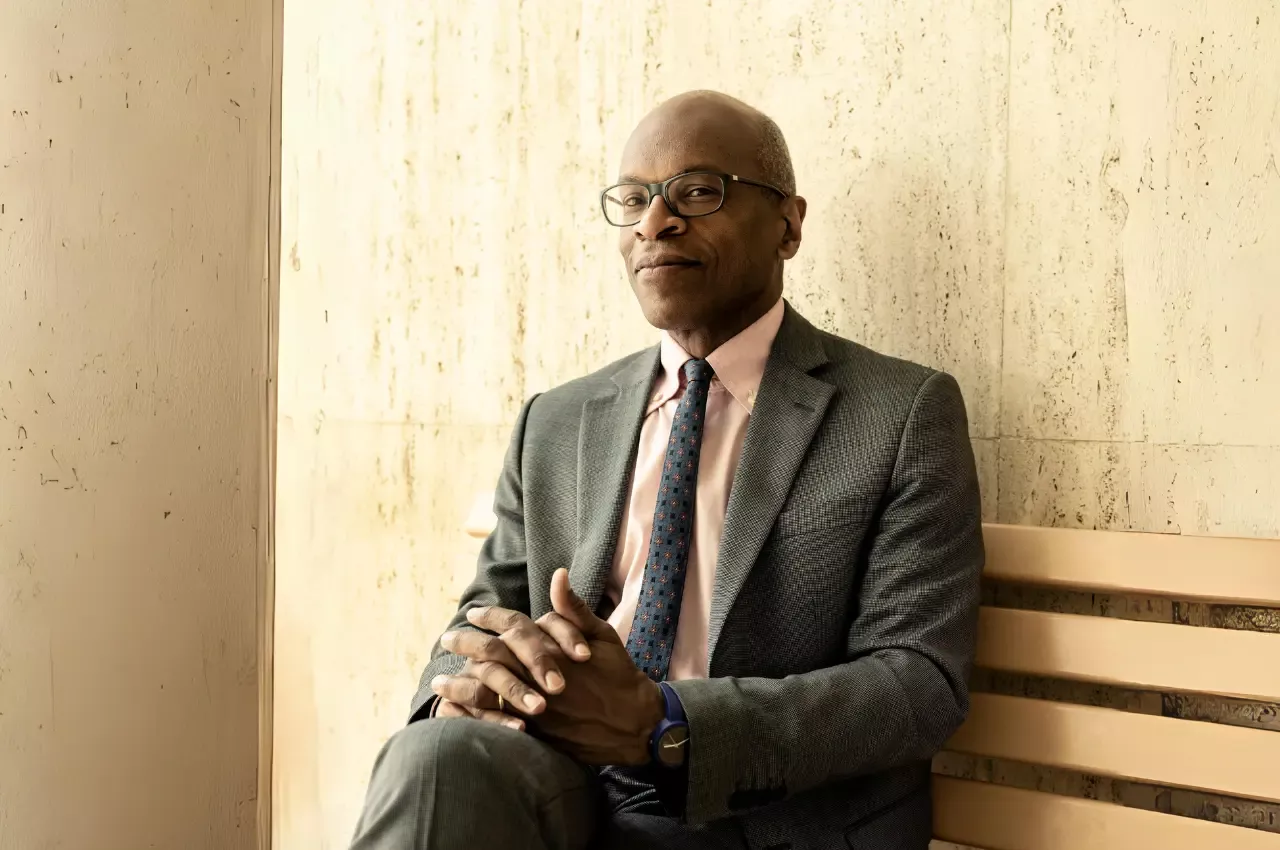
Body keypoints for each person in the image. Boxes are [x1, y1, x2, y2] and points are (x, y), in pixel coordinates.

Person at [349, 89, 984, 850]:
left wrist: (665, 725)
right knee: (435, 758)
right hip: (567, 788)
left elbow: (917, 681)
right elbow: (485, 615)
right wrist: (465, 691)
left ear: (788, 225)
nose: (655, 222)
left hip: (756, 816)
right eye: (633, 199)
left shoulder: (898, 412)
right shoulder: (557, 420)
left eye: (697, 192)